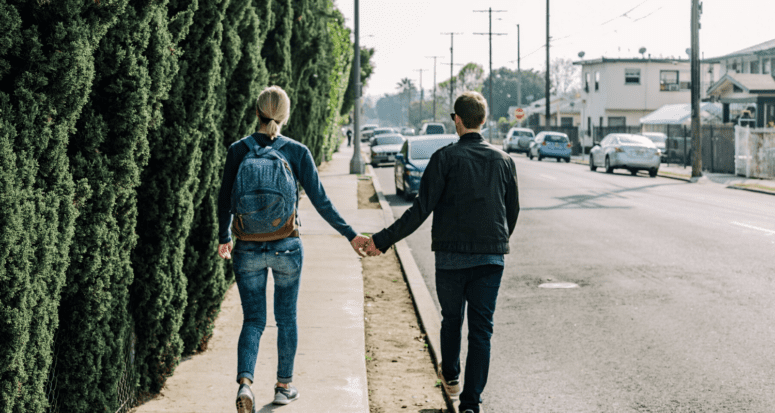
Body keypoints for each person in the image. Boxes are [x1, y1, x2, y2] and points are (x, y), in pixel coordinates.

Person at [217, 85, 370, 413]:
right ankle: (284, 387)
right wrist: (350, 235)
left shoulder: (237, 150)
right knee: (286, 318)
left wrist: (223, 237)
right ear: (285, 116)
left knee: (254, 320)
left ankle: (245, 384)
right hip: (287, 247)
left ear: (256, 112)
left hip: (247, 249)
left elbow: (224, 200)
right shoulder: (296, 151)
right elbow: (321, 201)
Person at [364, 91, 519, 413]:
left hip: (450, 258)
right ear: (484, 120)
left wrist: (382, 240)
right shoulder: (504, 161)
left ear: (457, 120)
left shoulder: (444, 158)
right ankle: (471, 404)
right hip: (491, 259)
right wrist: (495, 243)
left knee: (451, 320)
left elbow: (419, 210)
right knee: (482, 331)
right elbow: (511, 212)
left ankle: (450, 376)